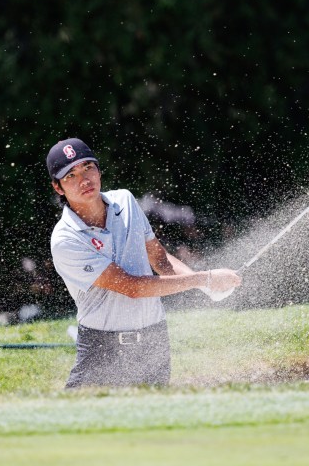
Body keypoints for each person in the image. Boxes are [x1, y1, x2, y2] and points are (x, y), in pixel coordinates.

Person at [47, 138, 241, 388]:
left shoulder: (125, 201)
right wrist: (205, 278)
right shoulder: (65, 238)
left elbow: (159, 258)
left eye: (88, 168)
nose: (84, 179)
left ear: (98, 170)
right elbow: (132, 287)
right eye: (71, 175)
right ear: (58, 187)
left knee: (156, 422)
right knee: (76, 424)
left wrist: (205, 286)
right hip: (102, 348)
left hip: (154, 340)